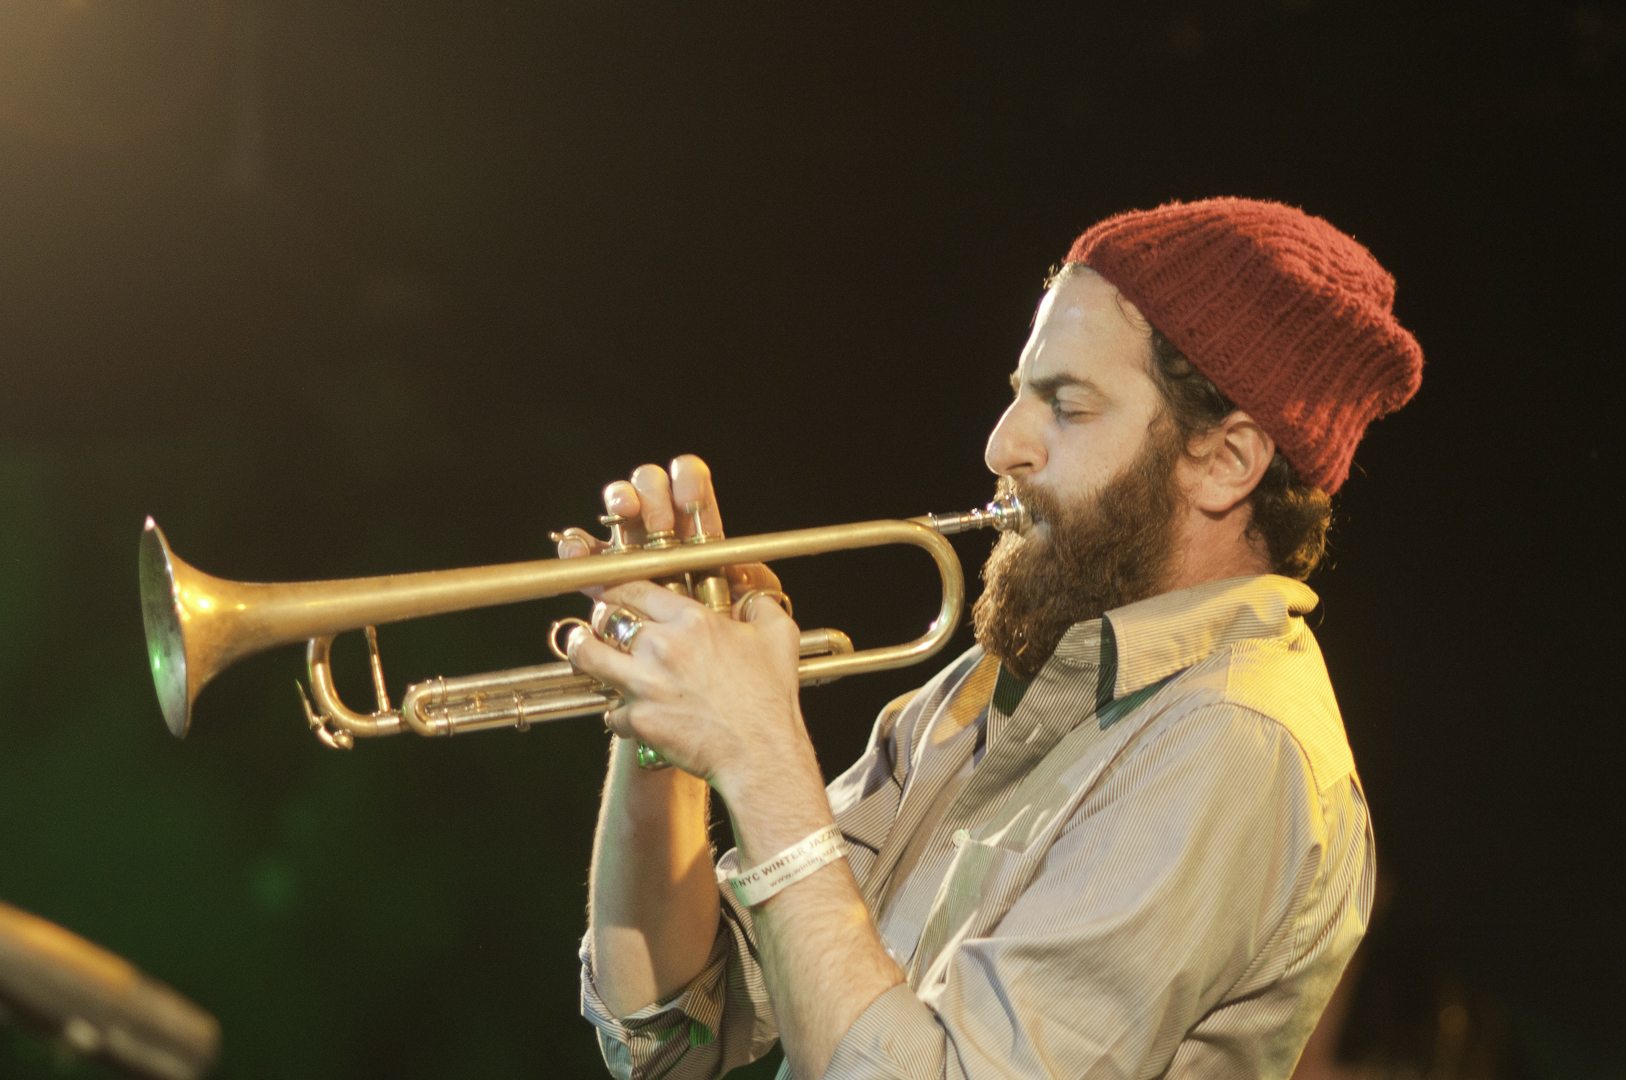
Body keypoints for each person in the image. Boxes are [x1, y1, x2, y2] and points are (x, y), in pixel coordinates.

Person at [559, 197, 1423, 1080]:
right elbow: (674, 1031)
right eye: (1019, 394)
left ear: (1226, 461)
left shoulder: (1231, 743)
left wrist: (761, 760)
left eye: (1067, 407)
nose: (1001, 446)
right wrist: (662, 724)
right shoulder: (992, 686)